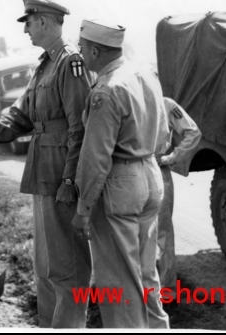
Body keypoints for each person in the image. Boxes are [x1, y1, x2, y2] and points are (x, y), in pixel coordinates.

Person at [0, 0, 92, 329]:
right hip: (43, 176)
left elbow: (81, 129)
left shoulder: (70, 62)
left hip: (60, 179)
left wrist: (70, 181)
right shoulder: (45, 64)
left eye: (29, 23)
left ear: (45, 22)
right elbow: (19, 116)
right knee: (46, 268)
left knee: (68, 272)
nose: (26, 31)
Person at [71, 19, 170, 329]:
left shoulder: (107, 89)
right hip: (150, 174)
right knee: (145, 276)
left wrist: (84, 208)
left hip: (121, 184)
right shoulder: (144, 74)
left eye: (83, 49)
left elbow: (96, 156)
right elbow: (164, 132)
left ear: (97, 51)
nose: (80, 55)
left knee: (119, 286)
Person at [156, 97, 202, 290]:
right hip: (133, 170)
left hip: (157, 167)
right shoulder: (126, 99)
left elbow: (192, 132)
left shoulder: (166, 104)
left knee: (163, 232)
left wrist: (172, 157)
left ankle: (166, 289)